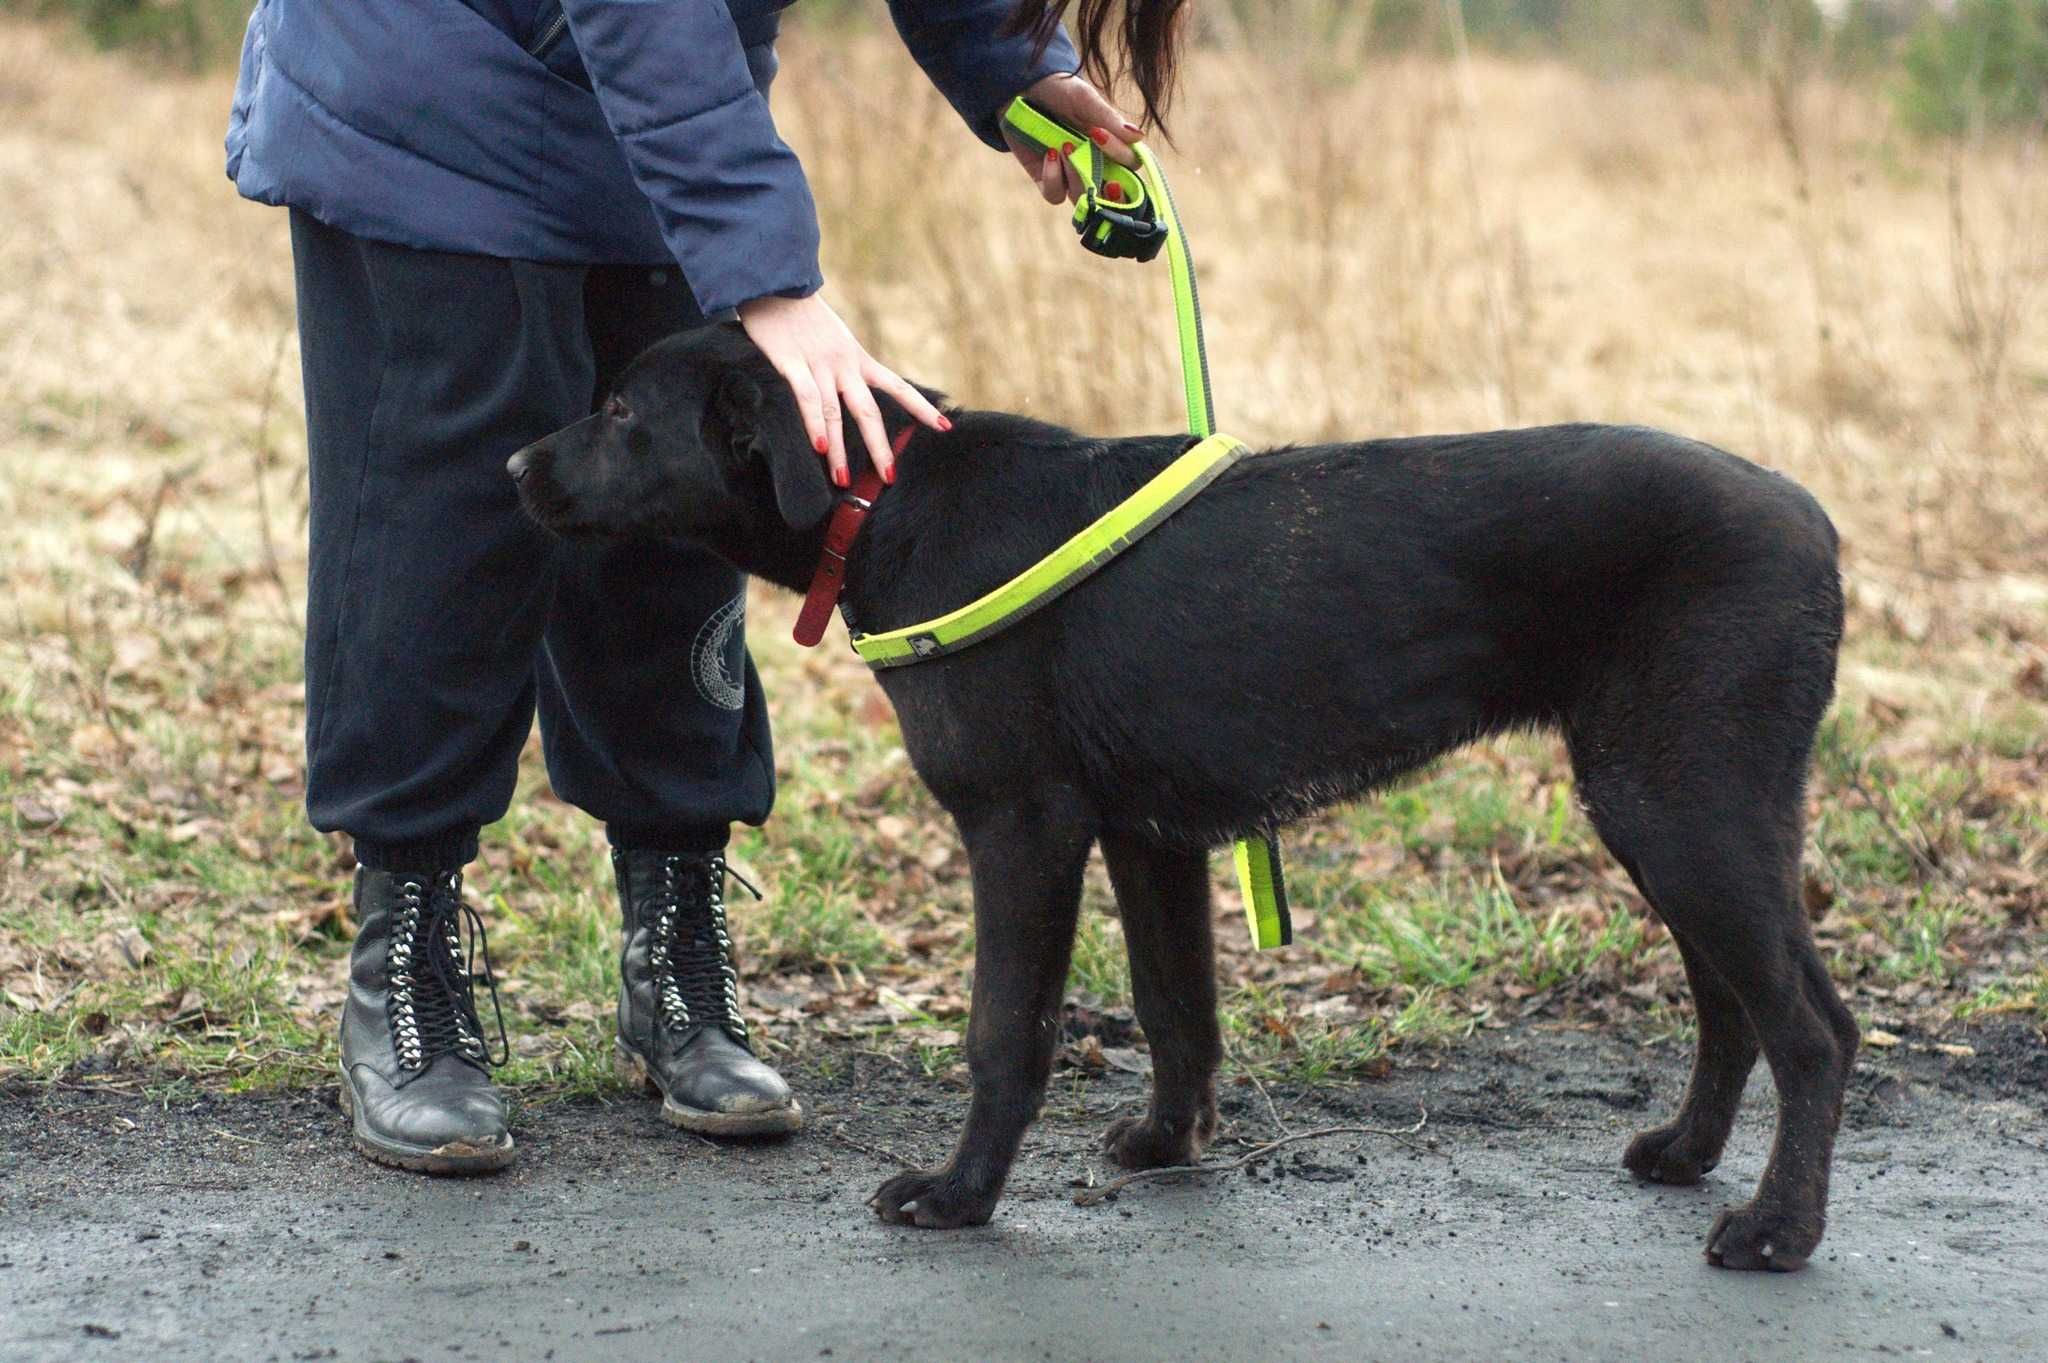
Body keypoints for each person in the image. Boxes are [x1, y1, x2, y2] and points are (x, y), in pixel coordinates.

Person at [224, 0, 1177, 1173]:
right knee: (447, 530)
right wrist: (767, 274)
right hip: (431, 90)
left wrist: (1010, 66)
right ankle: (404, 960)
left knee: (681, 500)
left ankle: (676, 952)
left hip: (652, 120)